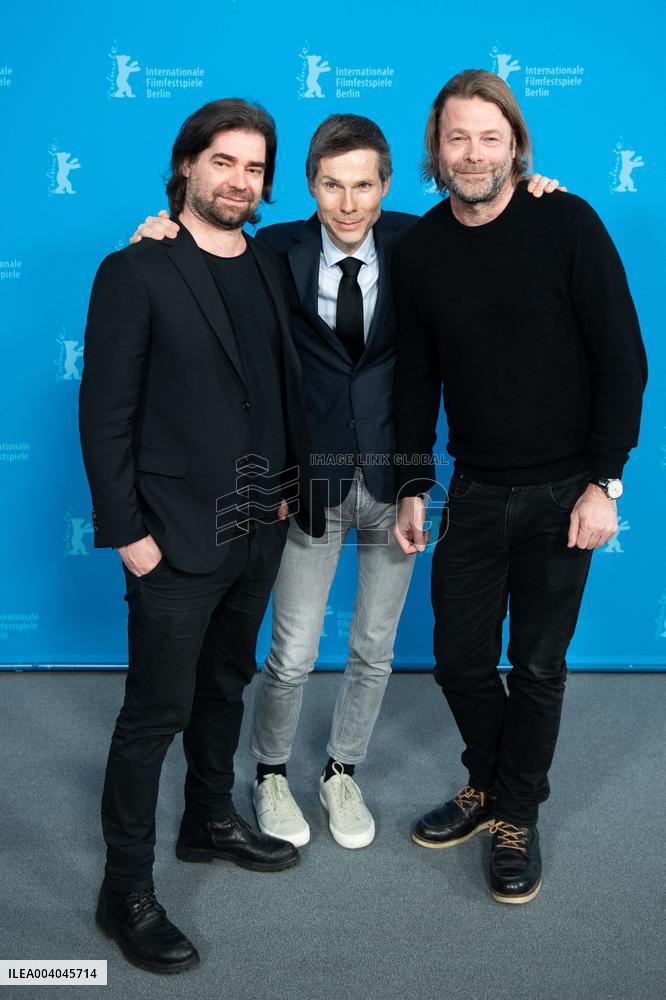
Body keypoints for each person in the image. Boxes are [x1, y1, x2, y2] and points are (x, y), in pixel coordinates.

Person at [131, 116, 560, 852]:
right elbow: (205, 261)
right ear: (308, 187)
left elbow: (495, 218)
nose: (349, 201)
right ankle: (269, 774)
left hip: (396, 484)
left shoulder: (421, 242)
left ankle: (341, 770)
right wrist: (159, 230)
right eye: (333, 184)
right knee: (292, 651)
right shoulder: (273, 251)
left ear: (387, 186)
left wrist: (537, 189)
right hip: (308, 482)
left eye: (364, 184)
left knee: (374, 646)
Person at [79, 98, 324, 974]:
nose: (240, 180)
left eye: (255, 167)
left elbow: (377, 219)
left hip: (259, 526)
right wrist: (127, 536)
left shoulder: (265, 260)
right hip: (171, 539)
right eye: (223, 161)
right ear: (186, 166)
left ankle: (209, 822)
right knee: (154, 715)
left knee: (226, 686)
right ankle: (126, 892)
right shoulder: (135, 269)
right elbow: (105, 415)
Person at [392, 70, 647, 904]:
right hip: (474, 491)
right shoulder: (423, 247)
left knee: (537, 666)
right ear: (437, 148)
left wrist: (605, 482)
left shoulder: (566, 220)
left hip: (564, 492)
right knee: (460, 661)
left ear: (516, 146)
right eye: (458, 137)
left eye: (489, 137)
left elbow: (623, 359)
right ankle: (493, 782)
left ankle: (515, 815)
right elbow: (416, 378)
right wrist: (412, 484)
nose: (473, 153)